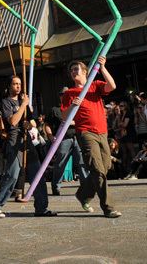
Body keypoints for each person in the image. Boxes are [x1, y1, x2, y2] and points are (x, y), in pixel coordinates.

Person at [61, 56, 121, 218]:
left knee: (106, 167)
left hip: (102, 132)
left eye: (76, 69)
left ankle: (83, 194)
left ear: (85, 72)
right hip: (85, 133)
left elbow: (112, 86)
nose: (73, 72)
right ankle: (108, 207)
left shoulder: (94, 85)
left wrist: (102, 68)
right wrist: (73, 105)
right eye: (71, 70)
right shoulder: (69, 93)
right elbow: (64, 116)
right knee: (97, 169)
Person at [0, 75, 56, 218]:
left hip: (26, 140)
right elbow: (13, 121)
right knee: (12, 175)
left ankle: (41, 208)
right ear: (9, 86)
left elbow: (33, 122)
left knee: (37, 174)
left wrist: (29, 123)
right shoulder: (6, 102)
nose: (18, 86)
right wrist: (23, 106)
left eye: (19, 84)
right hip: (14, 140)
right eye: (15, 84)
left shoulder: (23, 101)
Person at [47, 86, 88, 196]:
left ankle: (86, 187)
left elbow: (82, 120)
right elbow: (47, 124)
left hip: (78, 137)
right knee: (60, 164)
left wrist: (71, 122)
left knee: (82, 163)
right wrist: (51, 137)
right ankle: (56, 186)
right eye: (62, 95)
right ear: (60, 97)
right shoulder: (55, 109)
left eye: (67, 94)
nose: (64, 96)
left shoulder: (77, 107)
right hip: (63, 139)